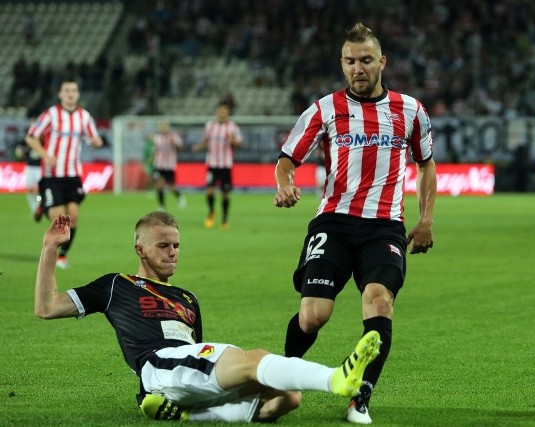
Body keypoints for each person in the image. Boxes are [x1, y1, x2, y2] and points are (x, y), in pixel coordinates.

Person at [34, 211, 382, 423]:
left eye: (177, 246)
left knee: (288, 397)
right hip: (159, 366)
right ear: (139, 248)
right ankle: (337, 379)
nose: (172, 253)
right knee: (258, 358)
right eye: (163, 246)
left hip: (186, 371)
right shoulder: (116, 285)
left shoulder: (188, 298)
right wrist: (51, 248)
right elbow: (46, 307)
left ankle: (186, 414)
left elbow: (196, 350)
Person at [273, 23, 437, 424]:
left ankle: (360, 396)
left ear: (382, 62)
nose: (357, 68)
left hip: (384, 227)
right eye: (350, 61)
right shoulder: (324, 108)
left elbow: (426, 164)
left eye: (365, 60)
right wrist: (284, 183)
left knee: (379, 300)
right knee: (314, 315)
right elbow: (287, 159)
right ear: (342, 64)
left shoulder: (411, 110)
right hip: (333, 222)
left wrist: (426, 219)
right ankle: (279, 377)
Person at [25, 78, 103, 269]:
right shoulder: (51, 115)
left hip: (73, 174)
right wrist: (45, 155)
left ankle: (62, 256)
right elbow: (30, 137)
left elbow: (95, 138)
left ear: (78, 94)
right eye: (67, 90)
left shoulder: (84, 116)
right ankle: (44, 204)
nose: (70, 94)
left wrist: (96, 142)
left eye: (74, 90)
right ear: (60, 94)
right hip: (52, 174)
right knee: (58, 219)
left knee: (73, 216)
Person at [192, 102, 242, 229]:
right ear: (217, 111)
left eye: (224, 110)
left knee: (225, 194)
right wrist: (199, 147)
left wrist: (233, 141)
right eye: (220, 110)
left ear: (227, 112)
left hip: (226, 165)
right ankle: (211, 211)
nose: (222, 113)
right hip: (212, 164)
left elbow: (240, 144)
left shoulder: (233, 127)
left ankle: (224, 218)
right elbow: (206, 141)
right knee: (209, 191)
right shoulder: (210, 126)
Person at [151, 121, 186, 211]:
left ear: (168, 127)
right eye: (161, 126)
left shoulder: (174, 136)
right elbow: (155, 150)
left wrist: (175, 143)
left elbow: (181, 148)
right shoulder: (157, 138)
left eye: (165, 126)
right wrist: (152, 160)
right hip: (159, 165)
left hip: (170, 165)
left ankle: (180, 197)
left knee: (171, 187)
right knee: (159, 185)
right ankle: (162, 206)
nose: (163, 128)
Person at [13, 129, 43, 221]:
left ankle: (40, 206)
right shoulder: (26, 141)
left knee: (39, 189)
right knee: (30, 189)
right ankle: (35, 209)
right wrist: (21, 153)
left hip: (40, 167)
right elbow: (18, 151)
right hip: (29, 167)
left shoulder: (43, 141)